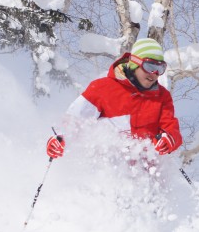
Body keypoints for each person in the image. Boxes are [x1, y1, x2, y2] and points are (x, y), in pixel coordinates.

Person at [46, 38, 182, 160]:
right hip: (108, 168)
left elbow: (171, 129)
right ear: (135, 63)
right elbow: (74, 120)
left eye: (160, 68)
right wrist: (60, 138)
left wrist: (169, 139)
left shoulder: (162, 96)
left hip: (148, 172)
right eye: (150, 66)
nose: (155, 74)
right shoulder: (102, 88)